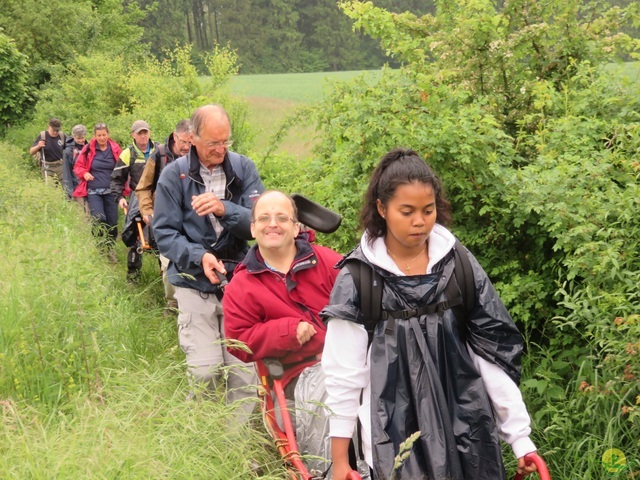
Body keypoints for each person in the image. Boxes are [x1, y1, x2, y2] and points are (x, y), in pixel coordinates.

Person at [321, 148, 538, 480]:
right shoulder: (360, 280)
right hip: (392, 433)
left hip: (467, 426)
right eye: (406, 211)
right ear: (382, 209)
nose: (419, 222)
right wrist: (340, 462)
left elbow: (489, 356)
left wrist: (521, 439)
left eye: (428, 210)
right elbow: (344, 378)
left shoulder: (458, 267)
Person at [153, 104, 264, 416]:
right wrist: (198, 255)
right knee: (205, 371)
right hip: (192, 281)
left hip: (238, 282)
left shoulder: (244, 169)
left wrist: (224, 209)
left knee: (243, 372)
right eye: (213, 143)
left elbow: (258, 224)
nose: (220, 150)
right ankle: (200, 438)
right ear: (192, 138)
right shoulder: (173, 176)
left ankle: (238, 451)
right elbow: (164, 233)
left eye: (225, 142)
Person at [223, 190, 344, 473]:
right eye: (264, 218)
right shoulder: (242, 285)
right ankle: (329, 471)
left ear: (296, 227)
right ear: (252, 229)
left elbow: (362, 303)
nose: (273, 224)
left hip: (345, 361)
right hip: (294, 376)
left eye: (282, 218)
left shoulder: (327, 262)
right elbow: (237, 342)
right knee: (333, 393)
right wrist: (287, 331)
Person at [135, 119, 191, 312]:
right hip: (165, 219)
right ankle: (172, 305)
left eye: (191, 143)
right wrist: (147, 210)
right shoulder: (158, 156)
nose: (186, 147)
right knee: (168, 266)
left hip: (191, 219)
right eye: (183, 142)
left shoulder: (198, 155)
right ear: (175, 137)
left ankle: (190, 304)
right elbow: (143, 187)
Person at [111, 120, 160, 281]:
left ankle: (165, 274)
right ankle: (133, 275)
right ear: (133, 135)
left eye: (145, 132)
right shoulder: (128, 153)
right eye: (140, 133)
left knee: (162, 233)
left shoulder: (159, 150)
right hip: (137, 197)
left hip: (158, 197)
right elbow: (117, 179)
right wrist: (119, 198)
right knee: (133, 233)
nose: (143, 136)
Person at [73, 123, 123, 262]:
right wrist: (84, 173)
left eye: (104, 135)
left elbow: (122, 167)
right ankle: (100, 246)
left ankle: (110, 248)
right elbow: (78, 166)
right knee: (99, 218)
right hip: (93, 190)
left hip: (111, 191)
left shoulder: (115, 148)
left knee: (112, 222)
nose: (102, 138)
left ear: (108, 134)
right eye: (99, 135)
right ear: (94, 136)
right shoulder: (88, 149)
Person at [30, 117, 66, 183]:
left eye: (57, 130)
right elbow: (31, 152)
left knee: (66, 186)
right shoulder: (43, 135)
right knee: (50, 186)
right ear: (49, 127)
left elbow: (68, 150)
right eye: (53, 130)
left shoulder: (62, 136)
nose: (55, 132)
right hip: (47, 166)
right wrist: (38, 146)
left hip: (60, 166)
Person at [62, 124, 87, 203]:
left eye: (82, 138)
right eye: (78, 138)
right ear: (73, 137)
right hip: (76, 186)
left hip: (88, 186)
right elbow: (66, 172)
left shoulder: (88, 147)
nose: (80, 140)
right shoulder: (68, 151)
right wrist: (69, 191)